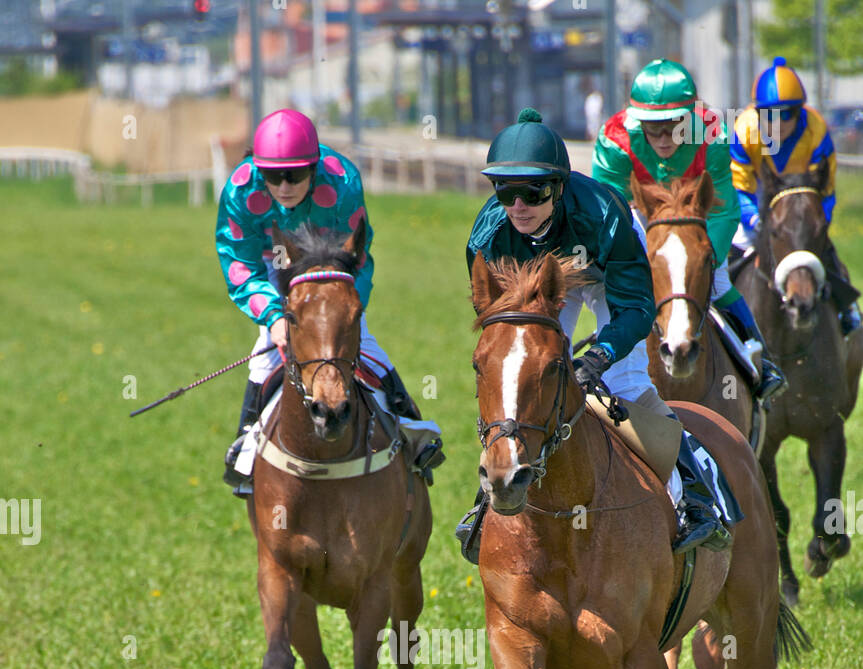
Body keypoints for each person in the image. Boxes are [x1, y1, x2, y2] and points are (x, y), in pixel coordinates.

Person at [457, 107, 735, 563]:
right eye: (505, 191)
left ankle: (695, 496)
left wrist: (601, 353)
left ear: (559, 187)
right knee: (521, 374)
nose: (518, 206)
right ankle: (490, 494)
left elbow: (638, 308)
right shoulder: (488, 239)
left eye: (532, 190)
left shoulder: (606, 216)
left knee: (625, 384)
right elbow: (498, 331)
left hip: (607, 276)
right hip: (541, 288)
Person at [215, 108, 420, 492]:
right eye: (273, 177)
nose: (284, 186)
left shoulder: (342, 183)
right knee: (267, 348)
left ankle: (410, 424)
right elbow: (239, 263)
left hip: (329, 259)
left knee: (353, 337)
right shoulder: (241, 190)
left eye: (295, 175)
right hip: (271, 256)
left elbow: (354, 254)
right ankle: (246, 439)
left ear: (314, 167)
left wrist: (342, 311)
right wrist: (274, 317)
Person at [592, 58, 785, 400]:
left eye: (675, 126)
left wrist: (704, 259)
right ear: (637, 123)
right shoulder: (614, 140)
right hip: (639, 218)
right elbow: (607, 212)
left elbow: (725, 209)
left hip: (696, 218)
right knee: (613, 287)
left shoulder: (713, 135)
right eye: (654, 129)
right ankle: (597, 365)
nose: (664, 139)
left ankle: (762, 360)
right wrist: (635, 260)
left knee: (719, 278)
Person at [730, 57, 862, 336]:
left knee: (824, 250)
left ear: (799, 111)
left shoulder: (816, 130)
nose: (776, 123)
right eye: (768, 115)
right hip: (759, 196)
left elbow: (825, 191)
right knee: (729, 255)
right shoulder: (744, 130)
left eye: (785, 114)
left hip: (803, 200)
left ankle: (848, 311)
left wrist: (818, 224)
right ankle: (720, 314)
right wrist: (755, 220)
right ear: (758, 113)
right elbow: (739, 187)